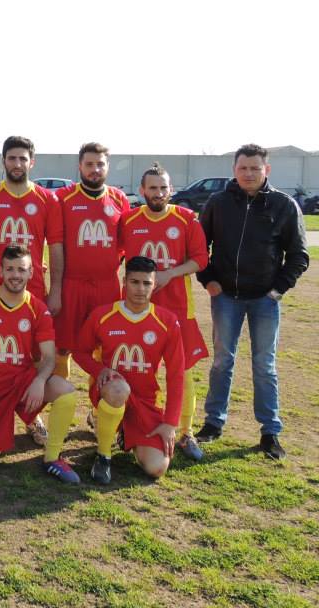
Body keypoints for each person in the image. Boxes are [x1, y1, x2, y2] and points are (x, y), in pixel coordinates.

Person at [195, 144, 309, 460]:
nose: (249, 173)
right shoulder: (218, 204)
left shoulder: (284, 206)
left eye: (255, 168)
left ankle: (270, 432)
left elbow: (299, 255)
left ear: (266, 170)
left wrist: (277, 290)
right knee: (222, 361)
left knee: (265, 365)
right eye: (243, 168)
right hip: (226, 299)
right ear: (235, 169)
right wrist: (208, 280)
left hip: (264, 300)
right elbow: (198, 247)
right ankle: (213, 424)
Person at [0, 136, 62, 445]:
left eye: (23, 159)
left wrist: (55, 289)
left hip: (32, 291)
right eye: (12, 158)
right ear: (3, 161)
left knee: (36, 354)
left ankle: (33, 417)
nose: (17, 164)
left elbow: (56, 248)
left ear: (32, 162)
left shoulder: (48, 199)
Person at [0, 245, 80, 484]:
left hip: (20, 381)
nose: (15, 275)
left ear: (31, 272)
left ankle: (53, 457)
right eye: (10, 269)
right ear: (0, 271)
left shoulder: (37, 308)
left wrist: (39, 380)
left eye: (21, 270)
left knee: (66, 392)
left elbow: (49, 356)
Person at [119, 163, 209, 460]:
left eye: (163, 188)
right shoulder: (129, 220)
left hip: (177, 308)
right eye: (152, 188)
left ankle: (185, 432)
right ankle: (123, 423)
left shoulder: (186, 219)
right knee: (131, 367)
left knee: (181, 371)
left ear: (170, 190)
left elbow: (200, 259)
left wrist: (171, 274)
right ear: (142, 190)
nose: (158, 193)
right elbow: (112, 253)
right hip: (135, 307)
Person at [74, 256, 185, 485]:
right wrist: (99, 369)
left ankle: (125, 431)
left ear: (155, 284)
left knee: (156, 468)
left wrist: (170, 423)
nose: (140, 289)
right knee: (118, 389)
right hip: (111, 390)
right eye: (135, 282)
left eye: (147, 283)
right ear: (125, 281)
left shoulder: (167, 321)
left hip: (145, 401)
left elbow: (176, 375)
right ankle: (103, 455)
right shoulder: (102, 315)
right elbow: (80, 352)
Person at [54, 142, 129, 382]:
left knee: (106, 347)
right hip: (71, 284)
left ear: (107, 166)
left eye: (100, 164)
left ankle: (98, 409)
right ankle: (60, 401)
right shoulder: (63, 198)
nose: (94, 169)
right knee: (62, 347)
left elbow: (126, 244)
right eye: (89, 164)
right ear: (80, 166)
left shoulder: (119, 199)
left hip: (107, 285)